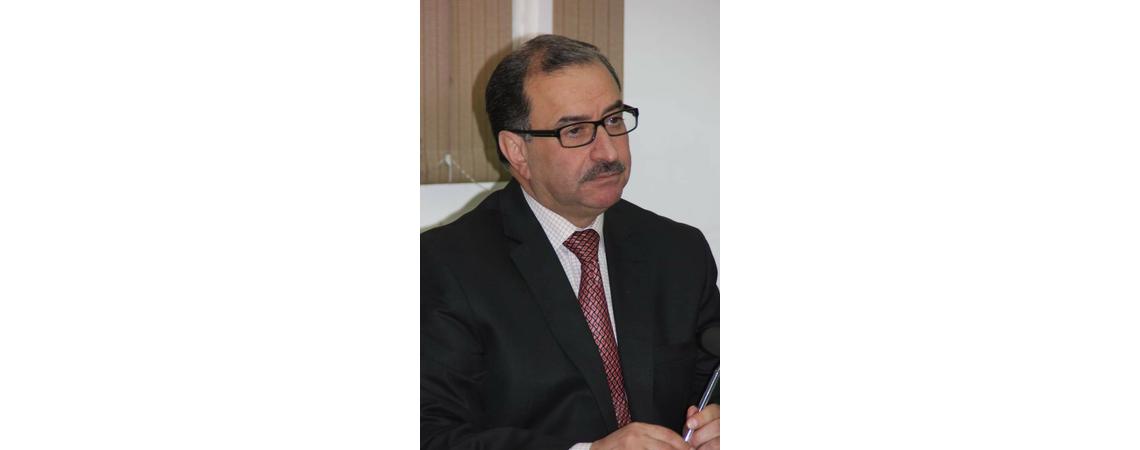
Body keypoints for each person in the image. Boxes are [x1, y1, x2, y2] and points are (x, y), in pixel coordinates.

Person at [421, 34, 720, 450]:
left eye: (613, 120)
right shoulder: (445, 266)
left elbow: (717, 378)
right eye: (575, 130)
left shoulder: (678, 251)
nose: (608, 152)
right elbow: (432, 434)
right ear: (517, 151)